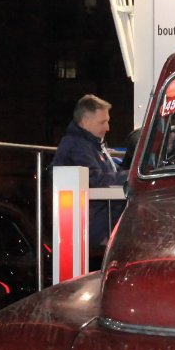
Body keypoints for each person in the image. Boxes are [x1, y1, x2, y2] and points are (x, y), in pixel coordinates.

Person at [53, 94, 125, 249]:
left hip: (101, 224)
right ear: (86, 122)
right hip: (95, 230)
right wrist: (130, 177)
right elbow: (96, 180)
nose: (107, 128)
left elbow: (110, 174)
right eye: (102, 122)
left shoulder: (91, 145)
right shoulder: (77, 146)